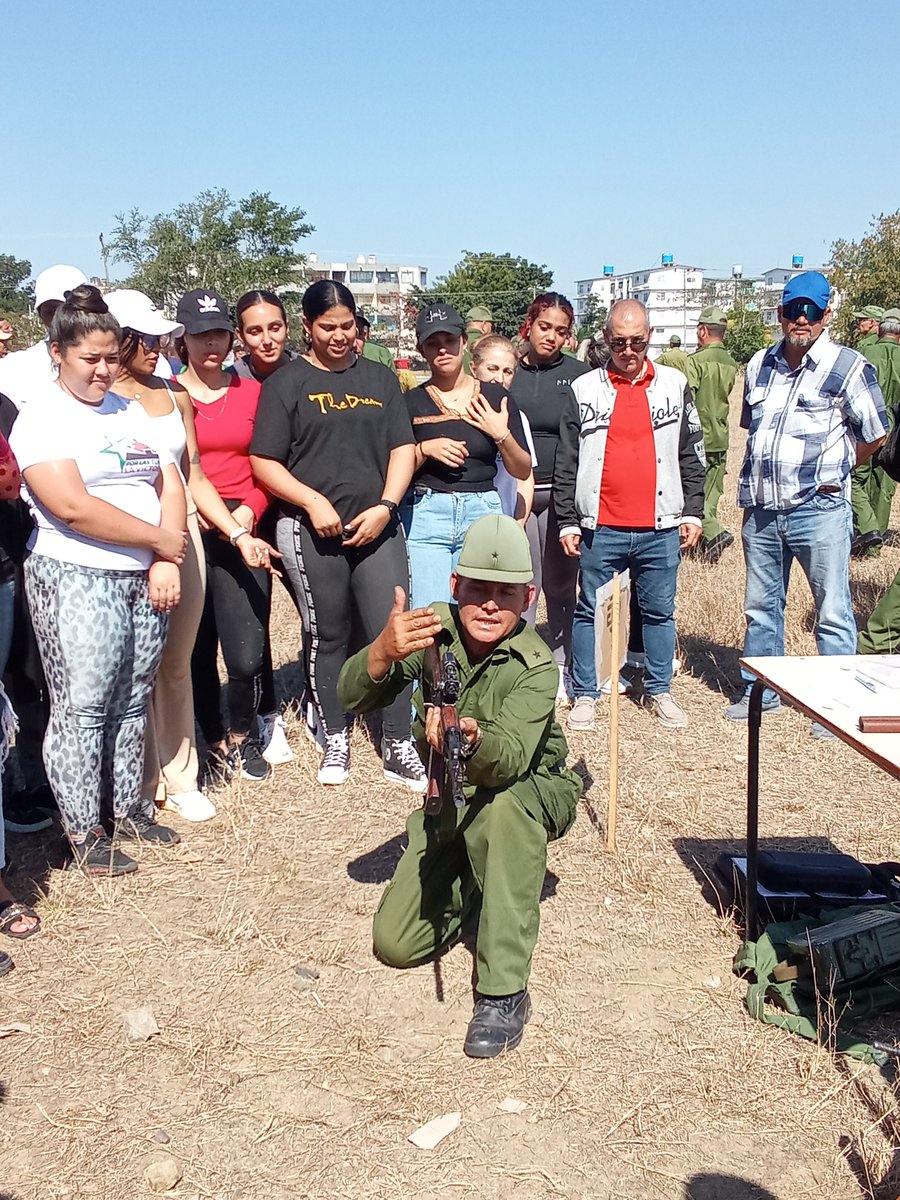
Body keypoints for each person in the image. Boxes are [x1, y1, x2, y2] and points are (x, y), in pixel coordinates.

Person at [337, 514, 581, 1058]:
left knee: (502, 810)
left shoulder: (536, 665)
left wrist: (468, 740)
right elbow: (350, 697)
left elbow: (511, 759)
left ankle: (504, 993)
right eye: (477, 589)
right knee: (395, 944)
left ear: (529, 596)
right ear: (454, 586)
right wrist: (381, 651)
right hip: (448, 797)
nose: (490, 605)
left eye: (506, 593)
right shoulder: (429, 633)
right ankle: (482, 887)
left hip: (528, 788)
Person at [9, 285, 186, 875]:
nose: (104, 370)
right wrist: (159, 541)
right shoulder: (43, 417)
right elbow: (71, 506)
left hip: (144, 576)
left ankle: (128, 806)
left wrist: (166, 556)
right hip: (77, 574)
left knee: (132, 699)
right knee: (82, 706)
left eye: (112, 357)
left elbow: (170, 481)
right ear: (58, 352)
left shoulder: (128, 409)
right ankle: (85, 830)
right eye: (91, 359)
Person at [106, 288, 278, 821]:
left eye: (163, 337)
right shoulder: (99, 398)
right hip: (120, 542)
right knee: (127, 670)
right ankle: (133, 782)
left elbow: (193, 474)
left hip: (181, 537)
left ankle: (180, 775)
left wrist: (236, 531)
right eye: (150, 338)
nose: (161, 346)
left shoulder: (173, 396)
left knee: (176, 663)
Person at [249, 279, 425, 791]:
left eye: (348, 326)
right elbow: (264, 460)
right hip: (312, 533)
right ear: (307, 327)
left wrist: (387, 505)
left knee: (392, 631)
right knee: (327, 635)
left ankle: (397, 740)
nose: (340, 336)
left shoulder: (379, 377)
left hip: (377, 529)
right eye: (328, 327)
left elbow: (402, 449)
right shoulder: (287, 383)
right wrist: (310, 500)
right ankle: (336, 734)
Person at [725, 272, 887, 735]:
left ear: (826, 315)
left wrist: (836, 467)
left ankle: (834, 706)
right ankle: (761, 692)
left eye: (812, 311)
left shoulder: (849, 366)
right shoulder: (759, 363)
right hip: (761, 509)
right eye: (794, 309)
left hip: (819, 510)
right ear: (780, 312)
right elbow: (752, 429)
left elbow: (876, 432)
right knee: (761, 607)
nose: (801, 318)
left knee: (831, 610)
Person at [555, 299, 705, 731]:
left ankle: (659, 690)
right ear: (606, 339)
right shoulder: (584, 389)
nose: (628, 349)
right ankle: (586, 693)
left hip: (660, 525)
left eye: (636, 341)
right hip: (601, 526)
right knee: (590, 610)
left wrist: (693, 512)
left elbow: (691, 453)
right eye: (619, 341)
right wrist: (567, 519)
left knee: (659, 611)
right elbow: (567, 461)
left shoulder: (675, 385)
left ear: (650, 336)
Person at [175, 288, 275, 784]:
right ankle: (213, 739)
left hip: (246, 527)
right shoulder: (171, 396)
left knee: (246, 651)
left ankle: (244, 733)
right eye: (200, 335)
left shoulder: (253, 393)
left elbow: (269, 464)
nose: (211, 344)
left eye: (218, 333)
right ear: (184, 339)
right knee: (198, 648)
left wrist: (250, 511)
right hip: (194, 532)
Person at [402, 303, 531, 610]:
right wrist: (424, 450)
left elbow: (522, 468)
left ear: (464, 343)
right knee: (429, 613)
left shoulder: (496, 397)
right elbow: (393, 470)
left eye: (449, 341)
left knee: (478, 611)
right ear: (422, 349)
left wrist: (501, 434)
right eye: (433, 343)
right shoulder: (410, 402)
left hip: (482, 510)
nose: (442, 350)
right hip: (427, 512)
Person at [508, 293, 591, 694]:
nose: (552, 337)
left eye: (561, 331)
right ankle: (522, 665)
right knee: (525, 585)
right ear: (529, 325)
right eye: (545, 327)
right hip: (518, 493)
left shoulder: (578, 374)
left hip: (562, 494)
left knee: (561, 583)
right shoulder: (509, 372)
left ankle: (561, 664)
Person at [685, 305, 738, 563]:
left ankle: (714, 532)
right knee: (713, 491)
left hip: (699, 436)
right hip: (721, 434)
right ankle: (706, 544)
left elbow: (688, 399)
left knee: (694, 492)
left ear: (703, 330)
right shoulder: (730, 362)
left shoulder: (695, 361)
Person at [0, 265, 88, 409]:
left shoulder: (112, 364)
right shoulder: (13, 369)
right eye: (51, 310)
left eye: (66, 309)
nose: (59, 318)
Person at [470, 334, 536, 523]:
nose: (499, 378)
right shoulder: (461, 411)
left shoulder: (518, 418)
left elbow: (525, 478)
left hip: (503, 521)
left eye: (508, 372)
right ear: (474, 369)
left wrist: (519, 523)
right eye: (492, 369)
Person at [851, 308, 900, 557]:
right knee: (884, 486)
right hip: (896, 431)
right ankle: (876, 542)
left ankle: (865, 529)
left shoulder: (864, 351)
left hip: (867, 425)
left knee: (855, 479)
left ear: (879, 328)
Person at [232, 290, 295, 383]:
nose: (267, 341)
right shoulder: (231, 381)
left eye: (274, 329)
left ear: (287, 328)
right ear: (241, 336)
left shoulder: (309, 372)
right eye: (255, 332)